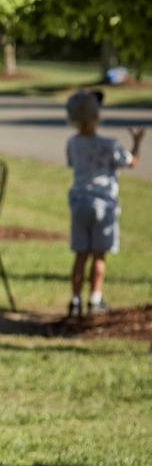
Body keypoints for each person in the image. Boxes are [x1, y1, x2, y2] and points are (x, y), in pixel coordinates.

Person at [64, 89, 143, 315]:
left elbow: (73, 165)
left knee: (80, 254)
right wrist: (137, 143)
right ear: (97, 116)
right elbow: (131, 162)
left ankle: (76, 299)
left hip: (79, 202)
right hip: (104, 203)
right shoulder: (110, 144)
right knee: (99, 254)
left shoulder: (73, 143)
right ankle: (95, 298)